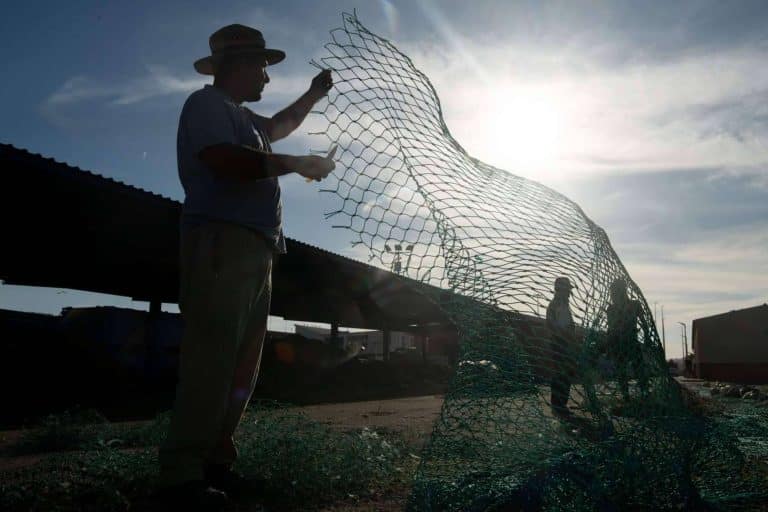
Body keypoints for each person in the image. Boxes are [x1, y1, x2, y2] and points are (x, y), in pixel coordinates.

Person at [157, 24, 336, 507]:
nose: (266, 77)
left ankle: (213, 465)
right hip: (221, 239)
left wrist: (315, 94)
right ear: (237, 66)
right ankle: (179, 478)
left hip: (255, 248)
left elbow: (283, 123)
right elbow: (224, 160)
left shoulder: (249, 120)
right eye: (262, 66)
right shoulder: (206, 105)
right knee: (212, 359)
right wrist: (297, 164)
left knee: (242, 367)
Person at [605, 278, 652, 401]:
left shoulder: (634, 304)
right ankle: (626, 395)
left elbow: (644, 323)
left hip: (631, 341)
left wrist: (647, 337)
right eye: (612, 292)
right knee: (622, 370)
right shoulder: (611, 309)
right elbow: (610, 329)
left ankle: (644, 391)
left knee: (638, 367)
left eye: (614, 292)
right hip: (618, 343)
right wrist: (609, 345)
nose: (612, 295)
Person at [547, 277, 576, 418]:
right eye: (567, 290)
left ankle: (560, 404)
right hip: (560, 344)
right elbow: (554, 326)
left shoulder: (562, 304)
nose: (569, 293)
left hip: (564, 343)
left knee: (564, 374)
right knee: (561, 374)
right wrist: (566, 337)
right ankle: (558, 405)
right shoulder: (556, 305)